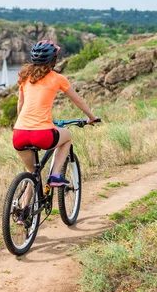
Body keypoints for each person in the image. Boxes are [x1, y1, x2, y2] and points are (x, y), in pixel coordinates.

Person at [13, 40, 99, 192]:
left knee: (32, 174)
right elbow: (78, 101)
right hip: (42, 134)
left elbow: (20, 104)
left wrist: (23, 124)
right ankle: (55, 175)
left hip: (19, 134)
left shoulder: (25, 77)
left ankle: (23, 213)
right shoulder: (58, 78)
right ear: (53, 60)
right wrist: (91, 117)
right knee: (67, 135)